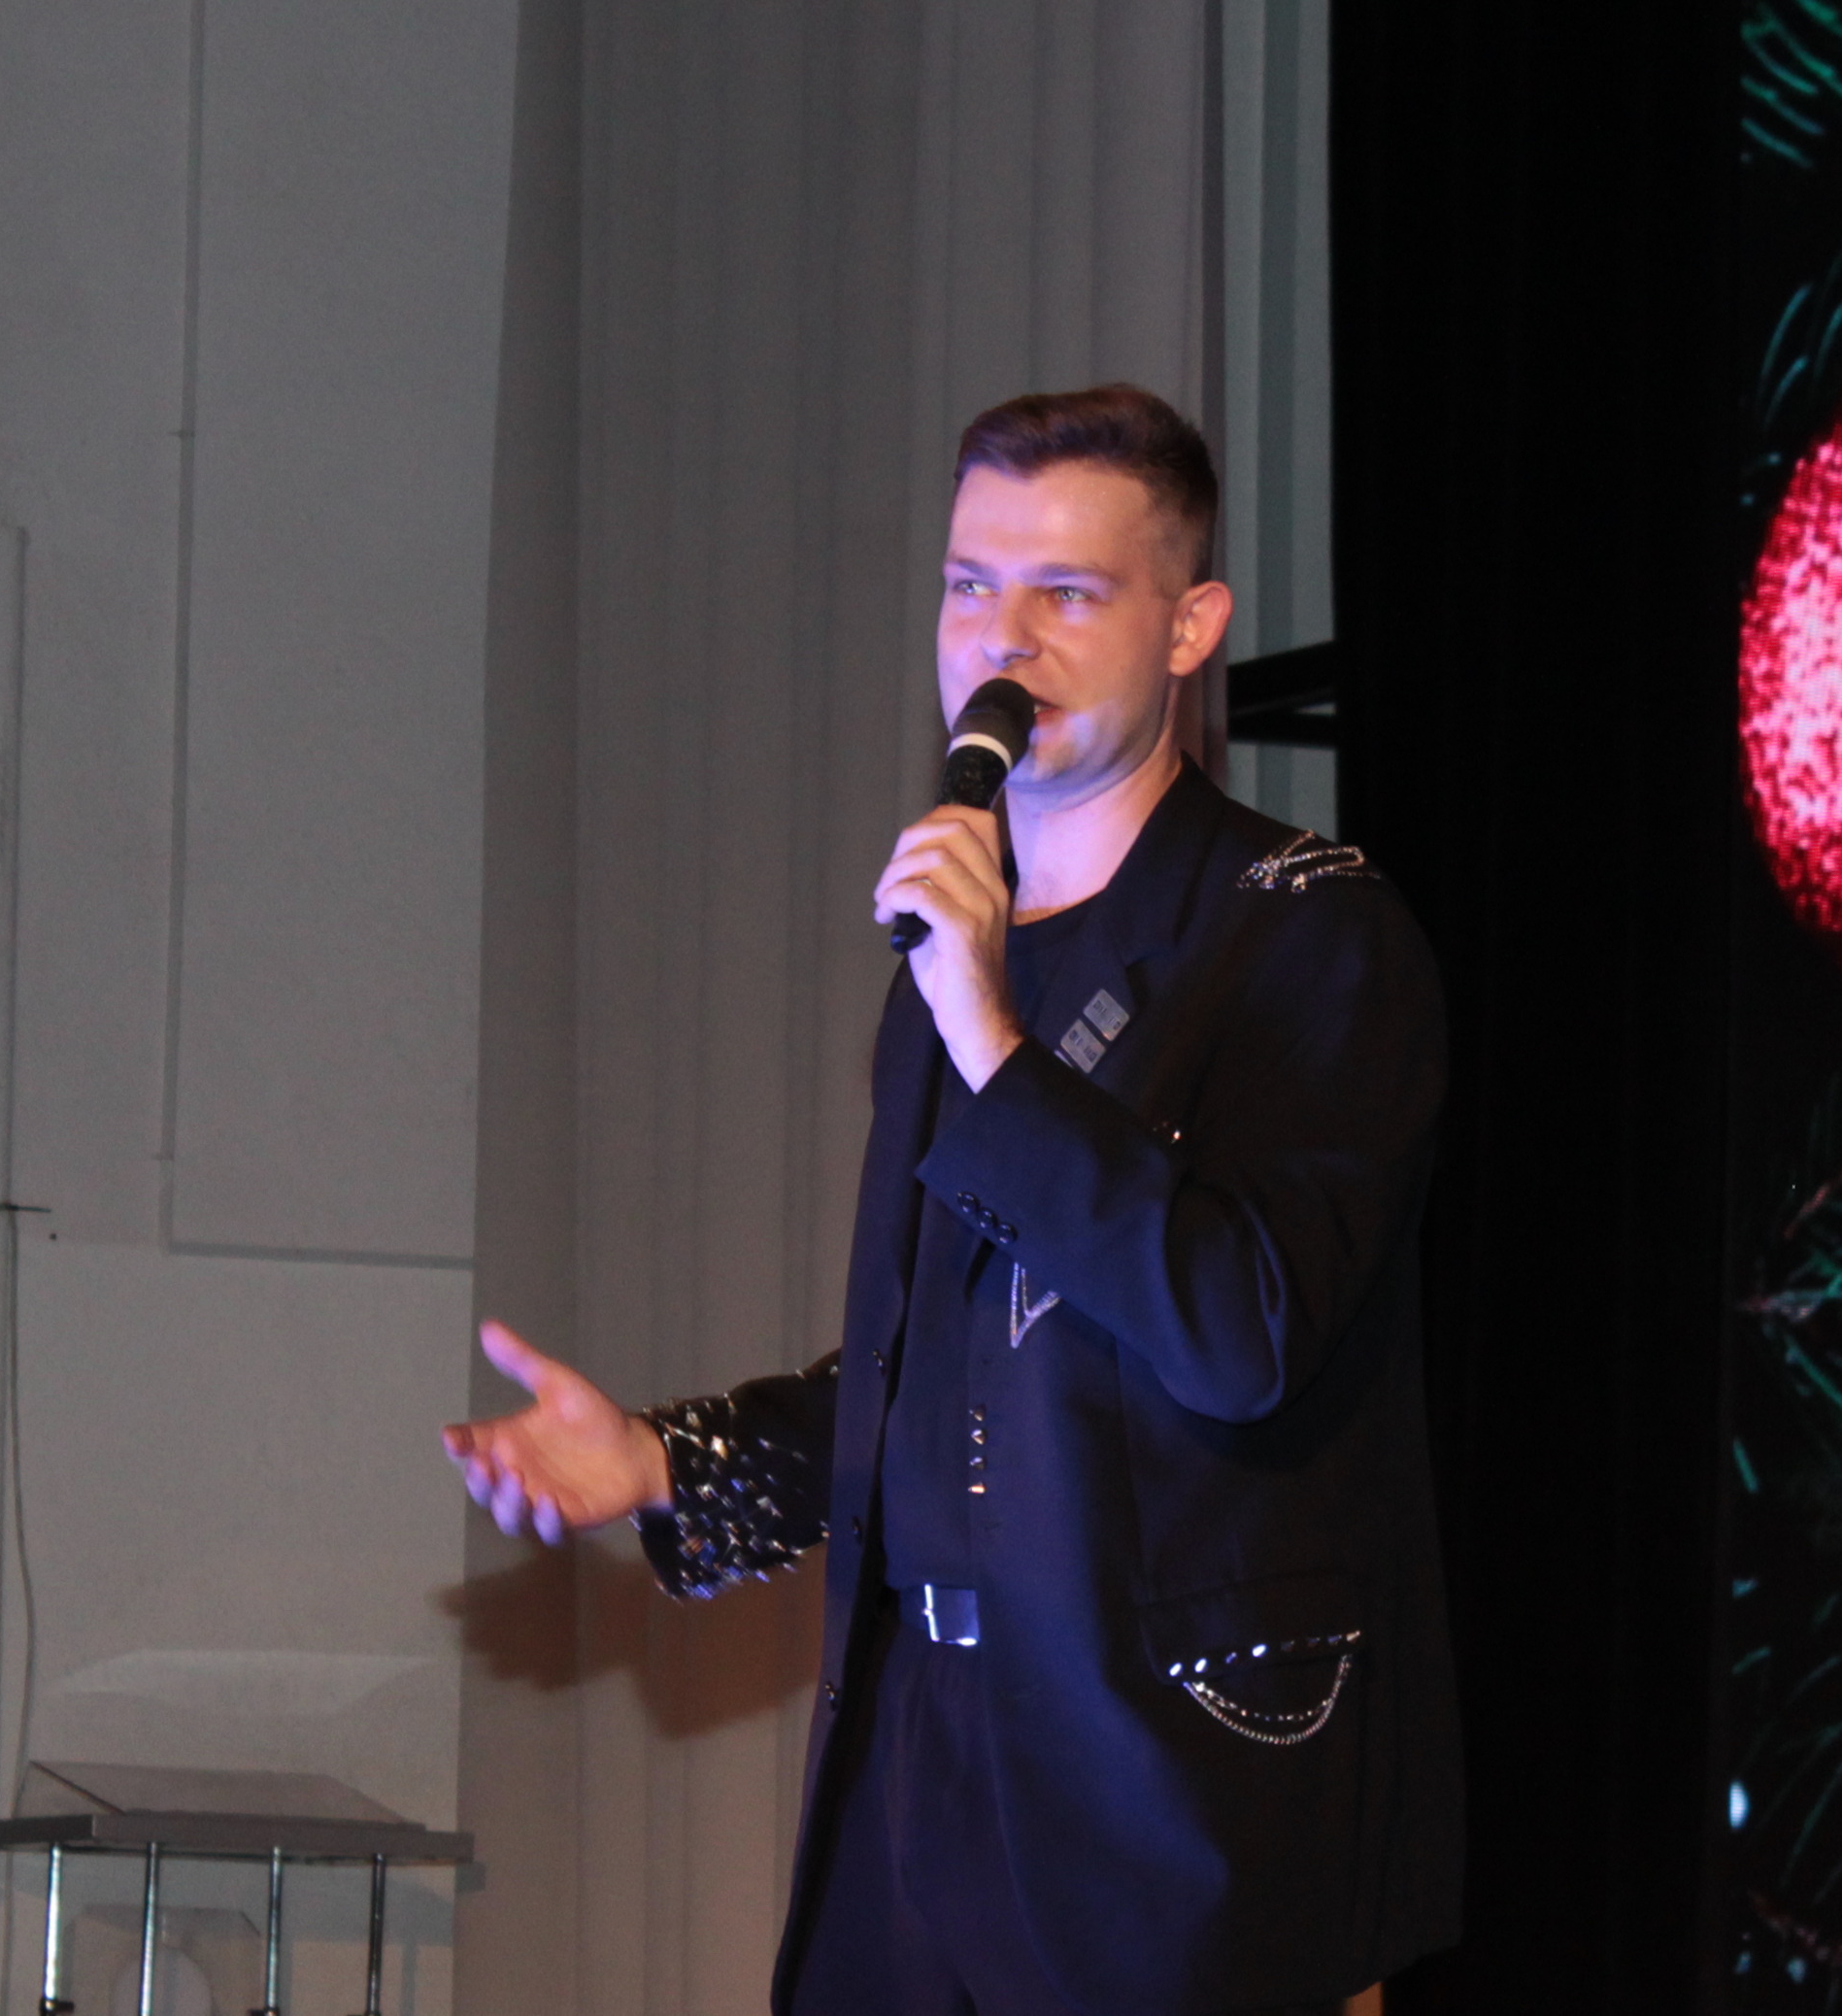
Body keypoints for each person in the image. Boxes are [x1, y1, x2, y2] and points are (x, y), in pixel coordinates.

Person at [443, 385, 1458, 2015]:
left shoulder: (1305, 931)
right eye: (970, 585)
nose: (1003, 640)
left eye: (1068, 593)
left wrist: (989, 1035)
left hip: (1171, 1801)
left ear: (1188, 626)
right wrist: (660, 1461)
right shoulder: (953, 955)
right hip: (928, 1782)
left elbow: (1240, 1330)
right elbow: (946, 1375)